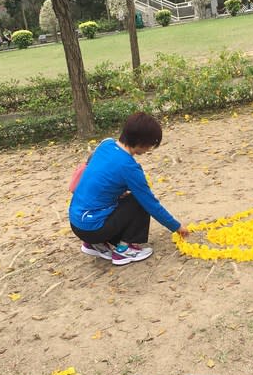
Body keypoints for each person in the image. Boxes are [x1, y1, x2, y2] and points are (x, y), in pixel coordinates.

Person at [69, 112, 189, 266]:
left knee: (124, 197)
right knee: (138, 201)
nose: (149, 149)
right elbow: (151, 204)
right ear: (140, 141)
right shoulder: (129, 167)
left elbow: (96, 173)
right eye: (151, 144)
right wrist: (176, 227)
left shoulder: (106, 144)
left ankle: (94, 244)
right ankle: (124, 250)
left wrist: (117, 191)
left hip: (77, 222)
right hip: (93, 228)